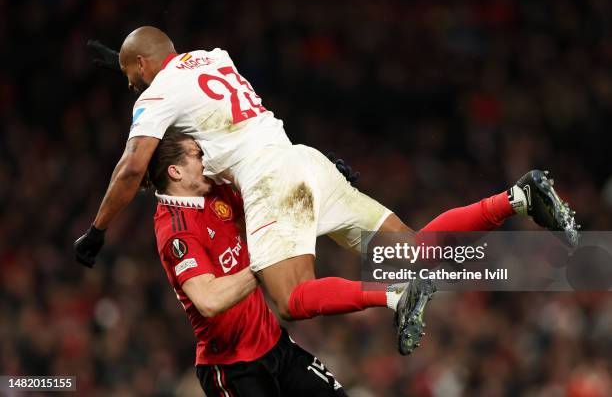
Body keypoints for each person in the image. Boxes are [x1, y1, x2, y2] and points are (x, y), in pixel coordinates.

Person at [75, 27, 579, 356]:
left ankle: (396, 296)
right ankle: (517, 198)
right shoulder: (213, 57)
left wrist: (97, 231)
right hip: (303, 157)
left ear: (143, 67)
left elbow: (130, 168)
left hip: (272, 179)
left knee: (290, 298)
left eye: (129, 79)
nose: (132, 90)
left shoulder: (157, 92)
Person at [150, 128, 347, 396]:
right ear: (176, 172)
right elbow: (209, 300)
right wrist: (264, 264)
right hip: (235, 369)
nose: (207, 159)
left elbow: (268, 204)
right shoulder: (177, 230)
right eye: (198, 155)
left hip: (275, 343)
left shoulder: (214, 189)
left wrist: (314, 182)